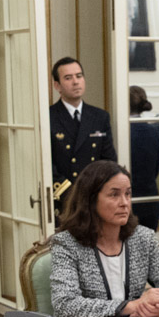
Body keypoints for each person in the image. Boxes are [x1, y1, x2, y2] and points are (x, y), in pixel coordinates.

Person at [50, 160, 159, 317]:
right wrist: (131, 306)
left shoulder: (142, 238)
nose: (124, 203)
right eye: (114, 195)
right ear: (90, 200)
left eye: (128, 194)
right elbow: (65, 305)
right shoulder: (66, 243)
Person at [49, 58, 117, 213]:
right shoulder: (49, 117)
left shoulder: (99, 117)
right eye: (68, 78)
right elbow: (48, 165)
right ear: (57, 86)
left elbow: (109, 161)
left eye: (79, 76)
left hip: (94, 199)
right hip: (65, 201)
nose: (75, 82)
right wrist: (71, 195)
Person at [129, 85, 159, 232]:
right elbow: (156, 168)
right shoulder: (153, 132)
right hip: (150, 200)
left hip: (129, 202)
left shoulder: (122, 132)